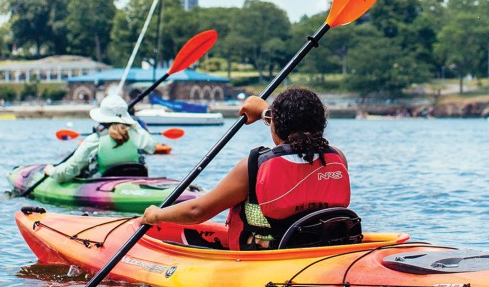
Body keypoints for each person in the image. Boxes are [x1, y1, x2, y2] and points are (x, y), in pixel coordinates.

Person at [141, 87, 351, 250]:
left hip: (269, 257)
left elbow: (197, 211)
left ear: (275, 125)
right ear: (321, 125)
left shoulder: (255, 166)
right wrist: (263, 112)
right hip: (324, 250)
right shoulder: (337, 158)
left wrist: (156, 215)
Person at [44, 94, 156, 183]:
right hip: (135, 183)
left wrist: (52, 171)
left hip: (101, 187)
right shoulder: (138, 136)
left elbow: (69, 171)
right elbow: (152, 147)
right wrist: (134, 124)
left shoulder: (94, 140)